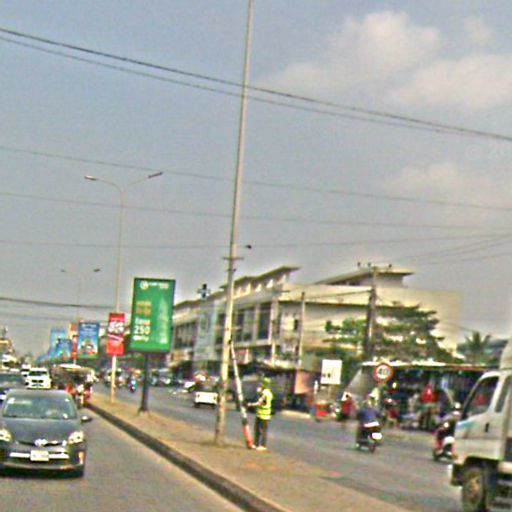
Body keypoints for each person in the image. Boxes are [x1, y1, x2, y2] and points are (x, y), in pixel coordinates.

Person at [251, 377, 274, 451]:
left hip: (264, 416)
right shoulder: (265, 392)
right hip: (260, 414)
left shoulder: (266, 393)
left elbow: (260, 403)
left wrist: (250, 405)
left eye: (262, 383)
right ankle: (256, 444)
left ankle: (262, 445)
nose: (260, 384)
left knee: (262, 431)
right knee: (258, 430)